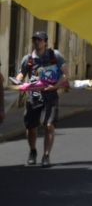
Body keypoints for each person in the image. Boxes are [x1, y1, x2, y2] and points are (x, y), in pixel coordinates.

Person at [15, 31, 69, 168]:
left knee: (49, 125)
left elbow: (65, 73)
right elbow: (22, 72)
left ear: (45, 42)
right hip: (33, 96)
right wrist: (18, 80)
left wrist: (55, 86)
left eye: (39, 39)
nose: (36, 42)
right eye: (34, 39)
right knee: (31, 127)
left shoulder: (54, 55)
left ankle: (46, 156)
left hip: (50, 96)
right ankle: (33, 152)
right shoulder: (28, 58)